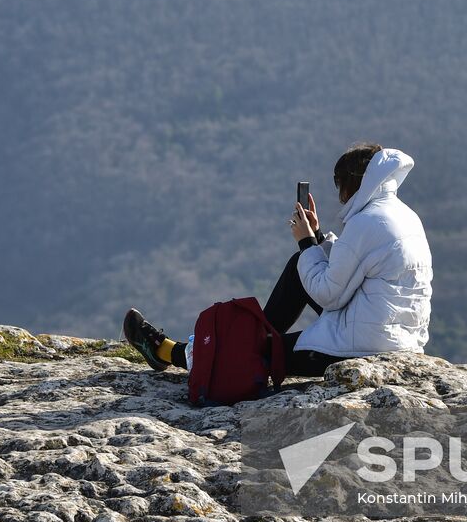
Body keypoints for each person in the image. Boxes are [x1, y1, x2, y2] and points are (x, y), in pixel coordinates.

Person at [123, 142, 433, 377]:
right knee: (299, 269)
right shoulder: (402, 216)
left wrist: (306, 243)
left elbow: (330, 294)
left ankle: (166, 352)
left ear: (354, 183)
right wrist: (317, 237)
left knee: (255, 352)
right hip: (398, 339)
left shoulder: (367, 222)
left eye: (340, 185)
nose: (340, 195)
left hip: (363, 347)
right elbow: (354, 268)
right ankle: (246, 335)